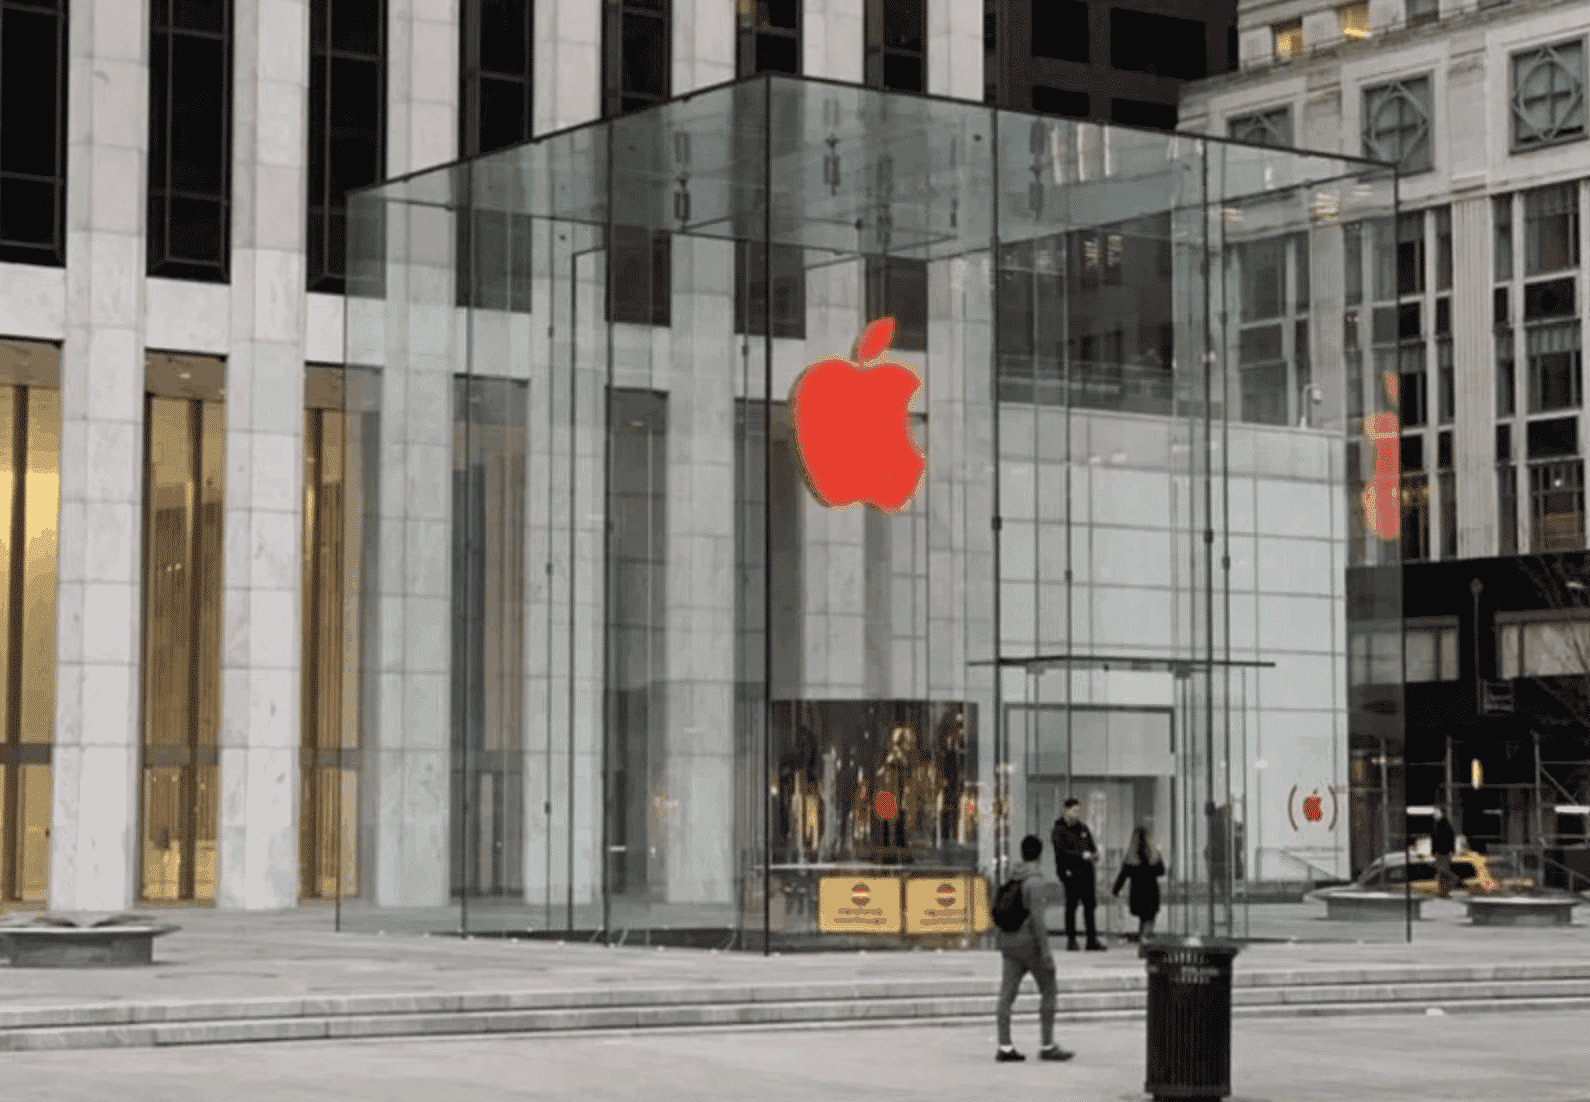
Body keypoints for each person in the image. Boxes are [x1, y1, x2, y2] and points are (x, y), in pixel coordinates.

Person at [995, 835, 1074, 1063]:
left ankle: (1005, 1045)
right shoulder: (1036, 882)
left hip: (1009, 943)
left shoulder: (1012, 879)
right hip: (1030, 946)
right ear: (1040, 854)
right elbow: (1038, 921)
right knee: (1049, 990)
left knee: (1006, 996)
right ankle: (1047, 1044)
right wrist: (1046, 953)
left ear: (1022, 853)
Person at [1051, 798, 1105, 951]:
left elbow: (1092, 847)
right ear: (1065, 810)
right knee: (1071, 906)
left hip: (1087, 873)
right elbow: (1061, 852)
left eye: (1078, 811)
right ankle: (1071, 939)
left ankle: (1091, 940)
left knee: (1090, 906)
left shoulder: (1083, 828)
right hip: (1071, 874)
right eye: (1074, 810)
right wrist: (1082, 855)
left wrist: (1094, 855)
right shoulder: (1059, 830)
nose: (1077, 814)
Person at [1112, 826, 1166, 941]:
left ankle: (1143, 938)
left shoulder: (1131, 856)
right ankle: (1145, 939)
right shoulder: (1154, 855)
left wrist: (1115, 890)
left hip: (1137, 892)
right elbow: (1161, 871)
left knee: (1143, 917)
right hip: (1151, 891)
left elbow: (1123, 875)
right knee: (1150, 917)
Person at [1431, 806, 1457, 898]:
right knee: (1442, 874)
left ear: (1441, 813)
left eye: (1436, 812)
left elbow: (1451, 837)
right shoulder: (1438, 824)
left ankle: (1452, 881)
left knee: (1442, 871)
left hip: (1444, 852)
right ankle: (1443, 892)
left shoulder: (1444, 824)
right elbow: (1434, 839)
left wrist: (1451, 850)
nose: (1434, 814)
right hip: (1441, 852)